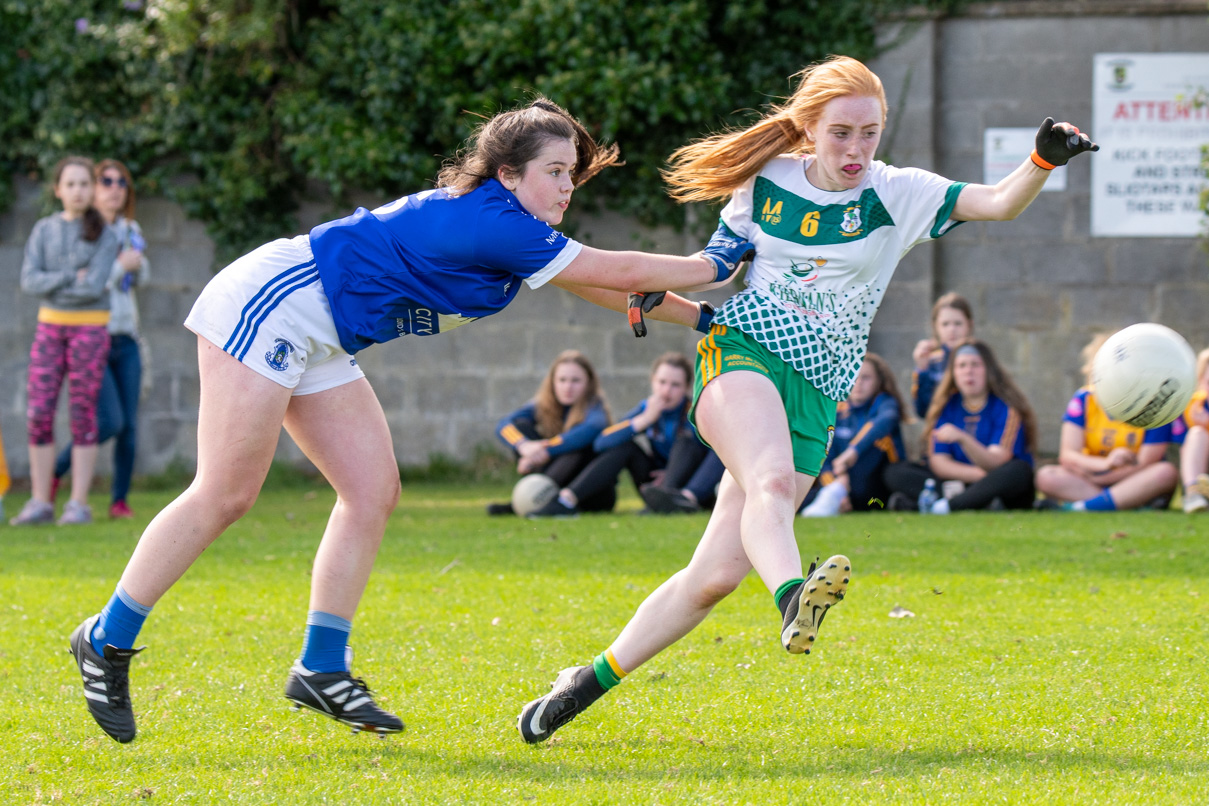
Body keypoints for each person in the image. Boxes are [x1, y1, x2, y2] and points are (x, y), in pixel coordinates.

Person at [67, 96, 755, 744]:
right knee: (226, 492)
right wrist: (715, 261)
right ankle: (106, 637)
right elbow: (618, 264)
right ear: (507, 175)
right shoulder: (494, 221)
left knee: (372, 490)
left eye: (570, 175)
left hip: (323, 335)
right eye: (553, 173)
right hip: (273, 301)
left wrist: (709, 319)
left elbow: (604, 284)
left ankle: (320, 668)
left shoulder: (518, 234)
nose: (566, 188)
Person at [516, 55, 1097, 743]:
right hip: (742, 354)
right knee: (764, 479)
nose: (855, 150)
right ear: (808, 128)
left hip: (817, 392)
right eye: (841, 133)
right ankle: (795, 600)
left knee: (711, 580)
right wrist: (642, 283)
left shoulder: (898, 194)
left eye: (869, 134)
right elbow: (716, 266)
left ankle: (581, 684)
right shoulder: (765, 181)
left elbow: (997, 202)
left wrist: (1041, 159)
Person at [13, 156, 119, 527]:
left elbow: (93, 288)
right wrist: (72, 276)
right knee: (39, 413)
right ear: (57, 190)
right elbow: (29, 281)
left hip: (90, 329)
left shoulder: (107, 234)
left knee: (82, 414)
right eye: (70, 184)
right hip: (49, 329)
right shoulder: (43, 230)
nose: (78, 191)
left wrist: (59, 281)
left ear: (92, 189)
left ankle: (78, 504)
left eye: (84, 184)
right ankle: (40, 502)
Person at [51, 159, 149, 520]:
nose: (115, 187)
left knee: (131, 426)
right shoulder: (83, 230)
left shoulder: (129, 228)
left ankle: (118, 500)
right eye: (106, 181)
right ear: (93, 187)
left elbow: (141, 275)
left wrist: (134, 261)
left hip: (127, 337)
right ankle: (54, 472)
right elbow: (88, 282)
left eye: (121, 182)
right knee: (110, 421)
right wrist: (120, 265)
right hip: (92, 336)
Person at [526, 352, 719, 517]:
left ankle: (679, 500)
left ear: (686, 388)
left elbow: (719, 454)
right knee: (625, 446)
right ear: (652, 382)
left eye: (675, 385)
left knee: (686, 442)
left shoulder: (695, 411)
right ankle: (566, 500)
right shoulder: (647, 409)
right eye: (662, 382)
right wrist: (643, 421)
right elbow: (602, 442)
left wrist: (691, 489)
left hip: (689, 486)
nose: (666, 391)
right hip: (654, 483)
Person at [884, 339, 1038, 512]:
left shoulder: (1005, 409)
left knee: (1018, 471)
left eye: (975, 365)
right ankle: (974, 500)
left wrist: (963, 439)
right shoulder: (945, 407)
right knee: (895, 472)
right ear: (953, 373)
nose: (968, 371)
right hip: (961, 481)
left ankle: (944, 506)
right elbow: (939, 463)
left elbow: (995, 463)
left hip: (998, 482)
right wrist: (978, 480)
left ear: (989, 370)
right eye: (962, 366)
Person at [1034, 333, 1180, 512]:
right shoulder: (1084, 399)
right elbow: (1068, 455)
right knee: (1046, 475)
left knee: (1165, 472)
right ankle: (1125, 502)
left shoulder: (1154, 403)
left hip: (1131, 478)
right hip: (1092, 477)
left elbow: (1145, 463)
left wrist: (1101, 477)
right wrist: (1105, 465)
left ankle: (1080, 507)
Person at [490, 350, 613, 516]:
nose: (568, 387)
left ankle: (533, 501)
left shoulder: (595, 408)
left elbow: (586, 432)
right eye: (562, 380)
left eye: (575, 381)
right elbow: (504, 425)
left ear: (589, 383)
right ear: (552, 382)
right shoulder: (543, 404)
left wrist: (542, 451)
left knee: (576, 447)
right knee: (521, 427)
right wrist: (523, 446)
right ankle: (530, 500)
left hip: (590, 493)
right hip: (555, 474)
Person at [798, 352, 907, 517]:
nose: (858, 383)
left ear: (879, 381)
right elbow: (826, 460)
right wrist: (835, 484)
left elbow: (885, 421)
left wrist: (853, 451)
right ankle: (835, 496)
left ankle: (835, 497)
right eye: (853, 376)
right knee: (797, 498)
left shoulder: (884, 403)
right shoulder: (837, 410)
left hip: (877, 486)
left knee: (886, 470)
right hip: (844, 485)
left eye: (866, 378)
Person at [910, 292, 974, 418]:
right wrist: (922, 369)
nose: (952, 329)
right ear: (936, 327)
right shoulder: (933, 361)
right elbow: (922, 411)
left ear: (969, 324)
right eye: (945, 324)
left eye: (958, 323)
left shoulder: (979, 358)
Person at [1178, 348, 1209, 513]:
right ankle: (1193, 492)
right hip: (1201, 469)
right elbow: (1183, 448)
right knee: (1197, 433)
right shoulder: (1192, 406)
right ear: (1201, 380)